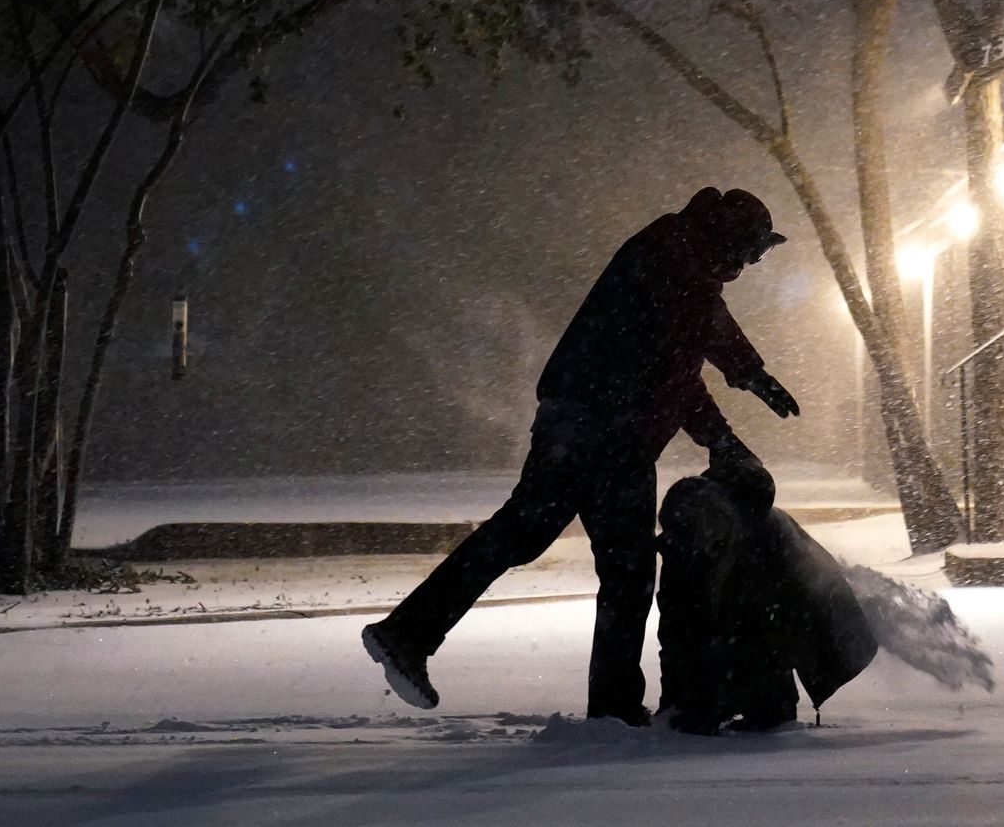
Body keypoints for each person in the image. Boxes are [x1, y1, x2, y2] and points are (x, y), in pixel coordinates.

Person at [363, 187, 799, 725]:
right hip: (604, 431)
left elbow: (687, 352)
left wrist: (741, 387)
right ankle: (603, 705)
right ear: (733, 237)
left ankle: (411, 634)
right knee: (611, 568)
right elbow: (682, 363)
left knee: (550, 545)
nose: (750, 265)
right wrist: (734, 410)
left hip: (591, 426)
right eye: (753, 252)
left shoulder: (681, 254)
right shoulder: (675, 257)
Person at [655, 458, 879, 735]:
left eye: (711, 539)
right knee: (716, 638)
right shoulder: (682, 548)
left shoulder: (766, 548)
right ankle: (745, 703)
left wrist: (715, 701)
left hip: (818, 622)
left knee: (752, 643)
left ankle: (770, 708)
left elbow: (767, 634)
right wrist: (674, 703)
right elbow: (675, 631)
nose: (705, 547)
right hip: (775, 620)